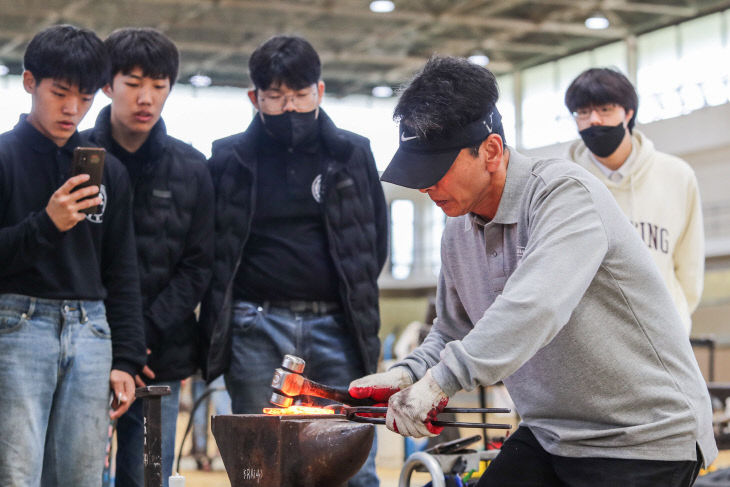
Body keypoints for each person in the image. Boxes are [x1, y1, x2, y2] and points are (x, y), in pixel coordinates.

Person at [349, 56, 717, 487]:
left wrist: (442, 381)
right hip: (552, 433)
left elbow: (534, 306)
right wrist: (408, 373)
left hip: (642, 436)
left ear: (489, 151)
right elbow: (453, 331)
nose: (425, 186)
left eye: (436, 172)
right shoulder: (458, 228)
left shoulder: (564, 196)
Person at [201, 35, 387, 486]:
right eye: (277, 97)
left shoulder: (352, 153)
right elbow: (213, 247)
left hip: (339, 330)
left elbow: (375, 240)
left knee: (353, 465)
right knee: (260, 467)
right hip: (255, 329)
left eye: (301, 96)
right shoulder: (229, 158)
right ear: (254, 98)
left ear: (319, 92)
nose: (290, 108)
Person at [0, 24, 146, 486]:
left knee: (81, 476)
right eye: (59, 93)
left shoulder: (110, 172)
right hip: (16, 323)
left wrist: (124, 357)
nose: (72, 109)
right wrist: (46, 225)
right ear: (29, 83)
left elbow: (122, 269)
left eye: (85, 97)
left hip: (91, 328)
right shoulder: (4, 157)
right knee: (16, 471)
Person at [84, 27, 214, 487]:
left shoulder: (192, 168)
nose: (147, 97)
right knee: (77, 475)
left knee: (148, 478)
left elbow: (198, 265)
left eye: (159, 85)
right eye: (134, 83)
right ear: (106, 84)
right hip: (86, 349)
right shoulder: (77, 158)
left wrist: (140, 339)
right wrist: (113, 339)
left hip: (160, 359)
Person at [565, 68, 704, 333]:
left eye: (605, 109)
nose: (594, 120)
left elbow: (690, 268)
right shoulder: (559, 181)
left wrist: (675, 317)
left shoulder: (678, 176)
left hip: (661, 334)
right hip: (587, 340)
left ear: (628, 113)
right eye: (583, 112)